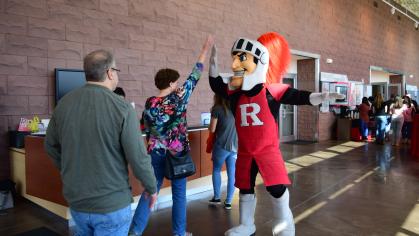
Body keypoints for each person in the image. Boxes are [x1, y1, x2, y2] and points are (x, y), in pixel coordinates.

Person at [209, 32, 343, 236]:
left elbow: (299, 96)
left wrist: (322, 96)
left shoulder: (272, 90)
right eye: (234, 57)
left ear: (259, 60)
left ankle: (284, 225)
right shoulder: (235, 92)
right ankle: (246, 224)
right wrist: (212, 64)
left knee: (276, 188)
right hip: (245, 152)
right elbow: (216, 84)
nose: (235, 63)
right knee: (245, 187)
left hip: (267, 152)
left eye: (241, 57)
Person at [44, 50, 157, 236]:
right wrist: (151, 187)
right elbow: (138, 157)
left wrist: (68, 169)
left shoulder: (63, 105)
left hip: (77, 202)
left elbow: (50, 145)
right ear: (110, 72)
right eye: (116, 70)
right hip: (111, 205)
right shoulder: (122, 109)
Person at [129, 36, 213, 236]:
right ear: (170, 82)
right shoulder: (179, 97)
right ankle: (179, 233)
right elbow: (196, 74)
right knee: (179, 195)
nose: (178, 84)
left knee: (150, 192)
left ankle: (135, 232)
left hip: (155, 153)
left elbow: (144, 126)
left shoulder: (150, 102)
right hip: (177, 155)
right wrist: (205, 48)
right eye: (176, 81)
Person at [207, 94, 238, 210]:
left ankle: (217, 197)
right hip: (235, 146)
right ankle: (229, 201)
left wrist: (209, 126)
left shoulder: (217, 109)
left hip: (221, 145)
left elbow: (212, 129)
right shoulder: (236, 108)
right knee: (232, 173)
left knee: (216, 170)